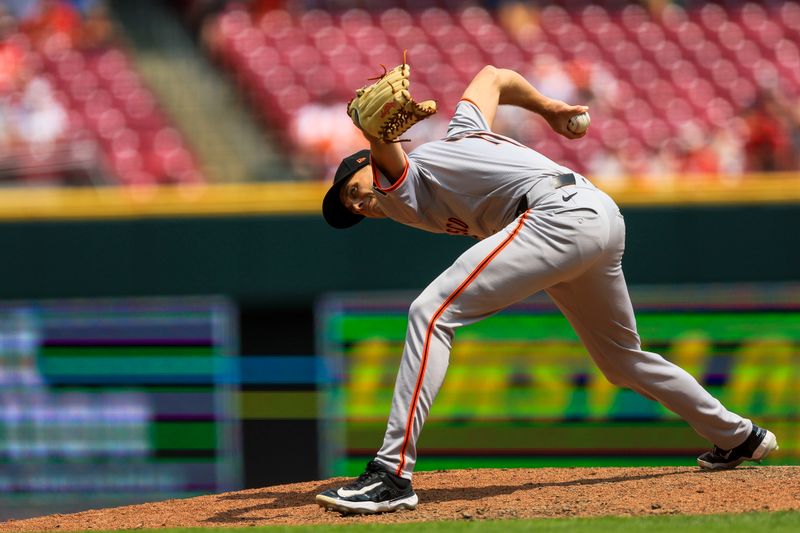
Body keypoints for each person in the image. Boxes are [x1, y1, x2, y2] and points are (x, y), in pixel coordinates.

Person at [316, 65, 779, 515]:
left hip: (555, 217)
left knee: (431, 311)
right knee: (622, 359)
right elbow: (493, 76)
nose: (357, 203)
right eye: (351, 208)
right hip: (596, 215)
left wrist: (376, 137)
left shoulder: (401, 184)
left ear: (367, 166)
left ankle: (392, 472)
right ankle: (741, 436)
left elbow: (394, 159)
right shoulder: (460, 133)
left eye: (351, 189)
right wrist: (549, 110)